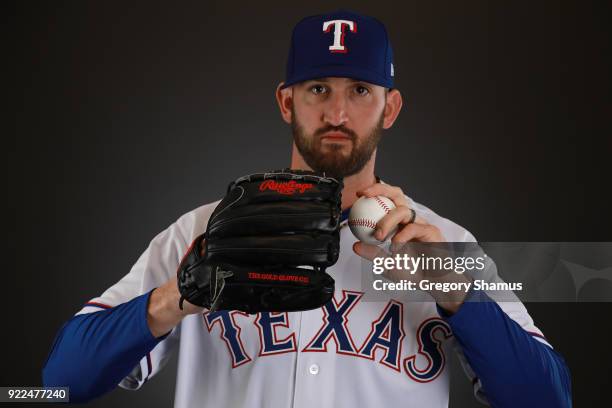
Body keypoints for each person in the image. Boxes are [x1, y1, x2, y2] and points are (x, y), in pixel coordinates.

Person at [43, 10, 572, 407]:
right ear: (286, 101)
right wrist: (174, 298)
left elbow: (549, 399)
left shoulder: (444, 244)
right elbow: (57, 385)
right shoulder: (205, 231)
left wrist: (458, 293)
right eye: (318, 88)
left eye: (360, 90)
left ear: (390, 108)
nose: (337, 112)